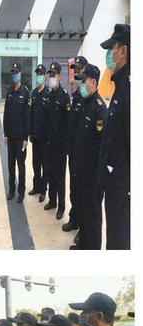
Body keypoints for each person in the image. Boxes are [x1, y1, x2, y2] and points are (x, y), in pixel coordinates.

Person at [98, 24, 130, 249]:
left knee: (119, 242)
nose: (109, 54)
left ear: (123, 51)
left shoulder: (129, 87)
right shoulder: (120, 84)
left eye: (112, 48)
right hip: (114, 183)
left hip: (122, 187)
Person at [69, 64, 107, 250]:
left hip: (92, 176)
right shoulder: (85, 103)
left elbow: (103, 146)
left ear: (93, 82)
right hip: (81, 171)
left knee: (92, 217)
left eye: (83, 81)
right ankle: (83, 245)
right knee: (83, 212)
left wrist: (99, 176)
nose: (81, 84)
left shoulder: (99, 109)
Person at [63, 56, 88, 234]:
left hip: (83, 156)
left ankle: (83, 228)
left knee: (82, 191)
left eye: (79, 70)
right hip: (73, 153)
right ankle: (74, 219)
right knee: (73, 188)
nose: (76, 74)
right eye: (75, 70)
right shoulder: (76, 97)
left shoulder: (88, 100)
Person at [44, 62, 70, 220]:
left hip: (60, 145)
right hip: (49, 143)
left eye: (54, 75)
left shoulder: (64, 96)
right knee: (50, 174)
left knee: (60, 177)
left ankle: (61, 206)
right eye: (50, 75)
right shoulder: (48, 95)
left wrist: (66, 145)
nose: (51, 78)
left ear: (59, 76)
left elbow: (68, 123)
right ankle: (52, 201)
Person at [3, 62, 31, 203]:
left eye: (16, 72)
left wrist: (26, 137)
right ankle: (12, 190)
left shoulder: (25, 92)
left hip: (21, 138)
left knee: (21, 165)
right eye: (13, 73)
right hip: (11, 137)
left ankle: (21, 191)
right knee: (10, 165)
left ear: (21, 74)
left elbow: (27, 117)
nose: (14, 75)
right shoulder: (9, 92)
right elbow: (6, 115)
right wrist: (5, 134)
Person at [29, 64, 50, 202]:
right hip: (35, 136)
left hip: (45, 137)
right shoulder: (34, 93)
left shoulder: (48, 94)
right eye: (37, 74)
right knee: (35, 163)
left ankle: (43, 190)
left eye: (41, 74)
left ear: (45, 76)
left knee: (45, 165)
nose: (39, 76)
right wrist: (30, 132)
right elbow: (31, 115)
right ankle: (36, 187)